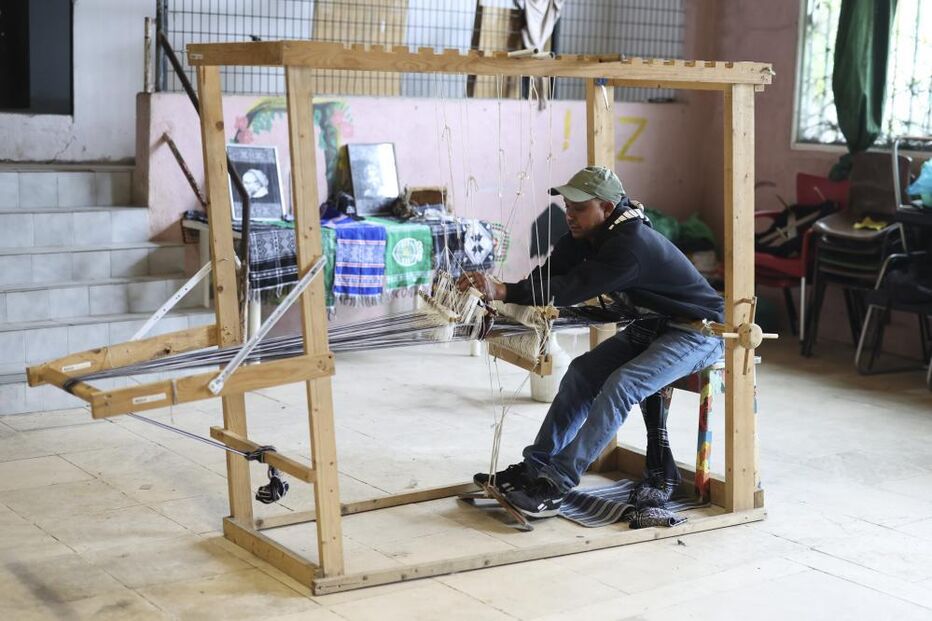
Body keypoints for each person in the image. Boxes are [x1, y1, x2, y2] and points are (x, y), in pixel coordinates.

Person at [456, 166, 724, 518]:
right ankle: (535, 468)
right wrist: (504, 293)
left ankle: (556, 483)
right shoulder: (585, 234)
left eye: (579, 208)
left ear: (607, 209)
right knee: (581, 372)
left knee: (622, 385)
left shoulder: (631, 246)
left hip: (698, 332)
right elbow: (550, 277)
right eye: (567, 206)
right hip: (656, 323)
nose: (569, 215)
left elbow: (574, 288)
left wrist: (505, 290)